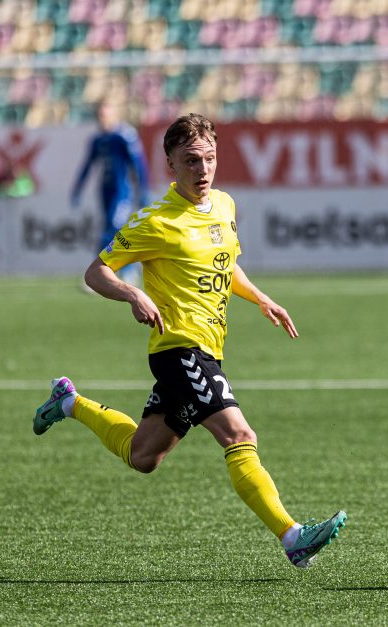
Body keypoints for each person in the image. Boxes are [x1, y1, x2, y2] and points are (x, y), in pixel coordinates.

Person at [33, 113, 346, 568]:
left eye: (210, 159)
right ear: (170, 166)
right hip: (179, 350)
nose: (203, 170)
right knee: (239, 434)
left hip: (207, 349)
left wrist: (260, 298)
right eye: (192, 161)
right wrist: (132, 293)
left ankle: (68, 403)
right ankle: (292, 536)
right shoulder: (155, 221)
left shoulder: (224, 205)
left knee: (143, 456)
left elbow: (225, 263)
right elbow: (95, 271)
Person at [70, 99, 150, 285]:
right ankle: (114, 271)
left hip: (122, 191)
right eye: (100, 115)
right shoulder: (98, 140)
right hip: (105, 190)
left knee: (114, 229)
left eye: (106, 114)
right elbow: (87, 166)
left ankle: (110, 271)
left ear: (114, 114)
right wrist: (77, 189)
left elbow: (139, 164)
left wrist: (143, 190)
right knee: (110, 229)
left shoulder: (124, 135)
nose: (103, 119)